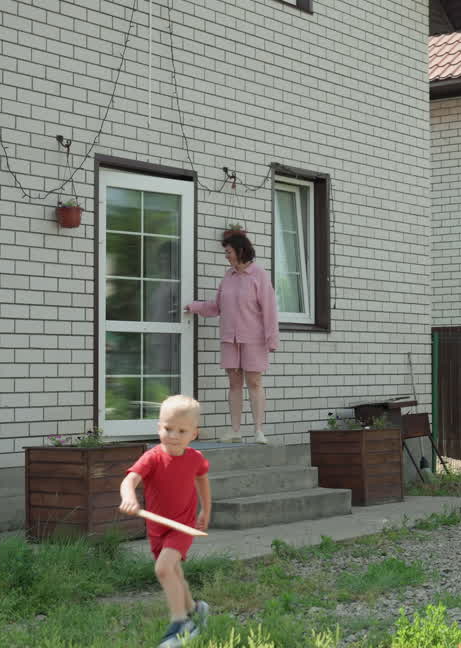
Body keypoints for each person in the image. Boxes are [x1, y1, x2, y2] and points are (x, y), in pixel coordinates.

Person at [119, 395, 212, 648]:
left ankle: (180, 623)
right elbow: (130, 480)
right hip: (157, 527)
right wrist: (129, 497)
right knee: (174, 572)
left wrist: (205, 510)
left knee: (163, 569)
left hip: (182, 525)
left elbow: (202, 480)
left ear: (194, 433)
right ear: (159, 427)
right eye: (168, 428)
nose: (173, 436)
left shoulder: (195, 458)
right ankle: (195, 609)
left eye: (181, 431)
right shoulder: (152, 457)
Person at [184, 231, 279, 444]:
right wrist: (194, 307)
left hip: (253, 339)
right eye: (226, 252)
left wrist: (272, 338)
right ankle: (235, 431)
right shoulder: (228, 276)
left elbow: (270, 309)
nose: (226, 256)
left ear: (240, 251)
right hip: (230, 339)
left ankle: (258, 431)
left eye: (229, 252)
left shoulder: (259, 275)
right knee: (234, 384)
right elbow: (217, 306)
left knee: (254, 382)